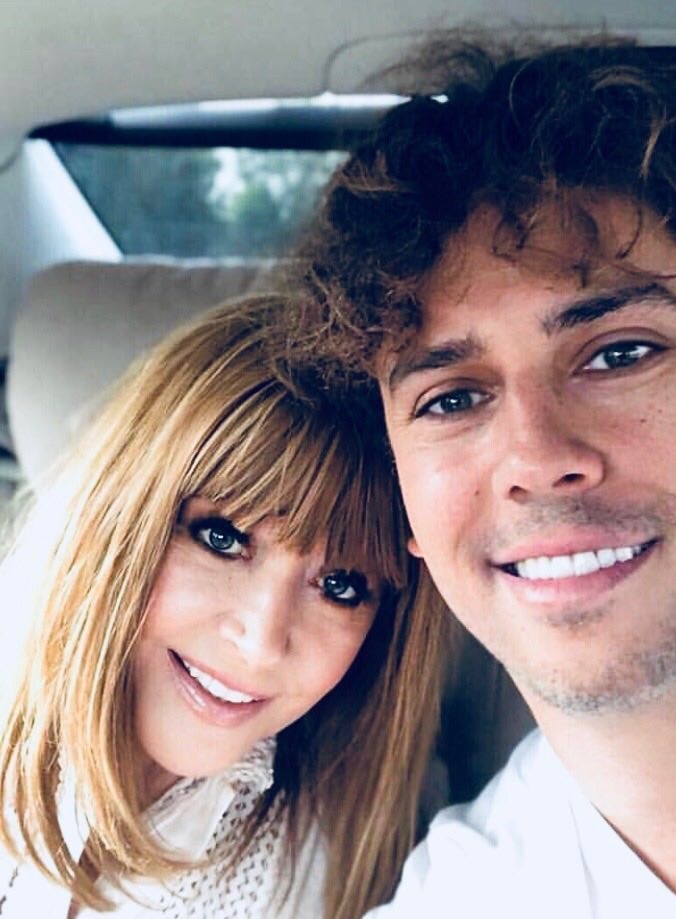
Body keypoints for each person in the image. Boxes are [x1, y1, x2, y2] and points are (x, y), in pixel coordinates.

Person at [292, 36, 676, 917]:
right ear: (407, 509)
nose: (537, 456)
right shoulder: (464, 894)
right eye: (451, 399)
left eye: (619, 354)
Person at [0, 292, 449, 917]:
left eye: (341, 587)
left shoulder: (335, 862)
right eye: (222, 539)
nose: (261, 641)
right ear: (123, 515)